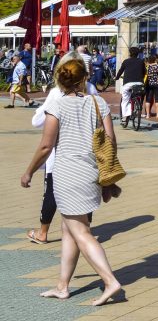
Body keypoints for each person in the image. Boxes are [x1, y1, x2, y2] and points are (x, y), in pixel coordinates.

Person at [19, 57, 123, 306]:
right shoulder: (98, 103)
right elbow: (111, 141)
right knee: (69, 230)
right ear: (84, 78)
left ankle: (110, 281)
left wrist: (29, 172)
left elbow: (46, 145)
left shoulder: (58, 107)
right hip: (90, 173)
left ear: (61, 81)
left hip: (67, 174)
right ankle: (62, 286)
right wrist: (106, 178)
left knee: (81, 232)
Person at [28, 52, 100, 245]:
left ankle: (43, 232)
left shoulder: (55, 94)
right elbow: (105, 128)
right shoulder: (92, 91)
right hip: (89, 155)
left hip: (61, 157)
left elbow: (38, 124)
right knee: (86, 193)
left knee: (51, 191)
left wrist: (29, 172)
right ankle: (84, 229)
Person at [114, 46, 146, 128]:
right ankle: (138, 108)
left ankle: (125, 118)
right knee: (140, 94)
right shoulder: (141, 61)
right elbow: (144, 72)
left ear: (130, 53)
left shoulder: (126, 62)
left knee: (125, 100)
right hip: (139, 83)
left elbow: (120, 71)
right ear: (138, 54)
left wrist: (116, 78)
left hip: (128, 83)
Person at [144, 53, 158, 119]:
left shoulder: (147, 67)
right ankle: (157, 114)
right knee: (157, 99)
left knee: (148, 99)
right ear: (155, 59)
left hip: (149, 84)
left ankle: (147, 115)